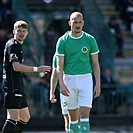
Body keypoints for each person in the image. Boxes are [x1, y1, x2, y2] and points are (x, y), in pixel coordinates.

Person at [2, 20, 51, 133]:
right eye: (19, 31)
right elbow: (16, 67)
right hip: (12, 86)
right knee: (12, 118)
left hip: (18, 85)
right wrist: (36, 69)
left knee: (25, 117)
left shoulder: (17, 45)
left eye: (24, 31)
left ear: (27, 33)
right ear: (14, 31)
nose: (21, 33)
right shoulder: (13, 45)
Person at [55, 11, 101, 133]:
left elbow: (95, 64)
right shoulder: (62, 41)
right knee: (72, 117)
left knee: (85, 113)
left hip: (86, 79)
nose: (77, 25)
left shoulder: (90, 40)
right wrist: (61, 83)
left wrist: (98, 83)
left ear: (83, 23)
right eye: (75, 22)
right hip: (69, 79)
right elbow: (59, 65)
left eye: (80, 22)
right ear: (70, 23)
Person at [50, 54, 69, 132]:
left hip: (78, 90)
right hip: (64, 91)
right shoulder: (57, 55)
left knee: (78, 116)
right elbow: (54, 75)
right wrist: (52, 92)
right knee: (67, 117)